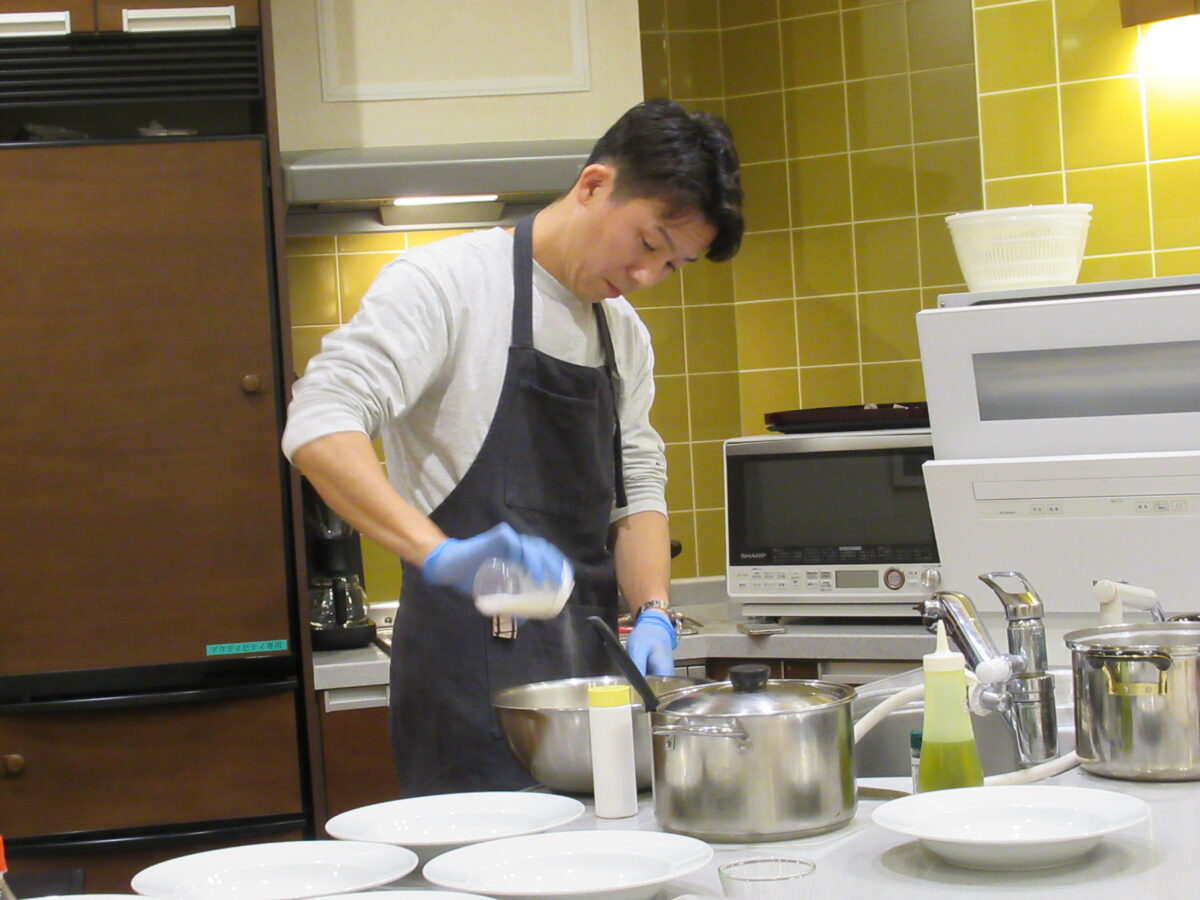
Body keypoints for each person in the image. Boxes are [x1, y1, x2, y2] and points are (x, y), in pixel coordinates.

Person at [282, 98, 744, 796]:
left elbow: (638, 483)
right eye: (649, 244)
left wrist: (653, 609)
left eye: (673, 266)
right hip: (467, 680)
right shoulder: (445, 283)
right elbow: (319, 422)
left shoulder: (622, 332)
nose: (648, 277)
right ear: (594, 185)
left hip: (590, 682)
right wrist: (441, 554)